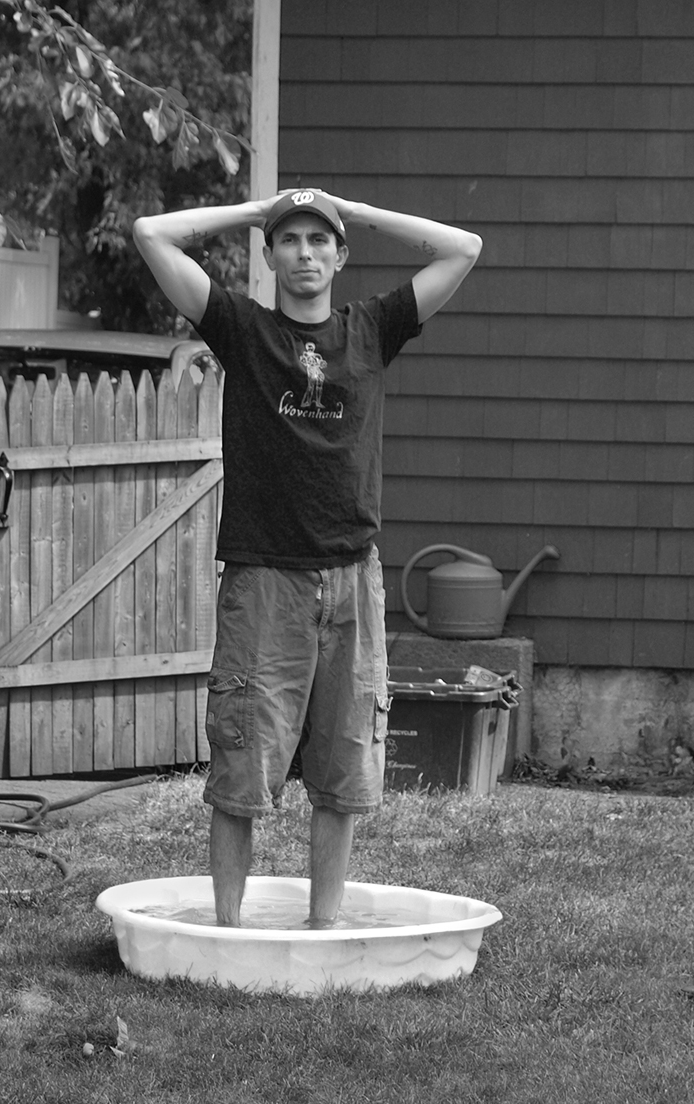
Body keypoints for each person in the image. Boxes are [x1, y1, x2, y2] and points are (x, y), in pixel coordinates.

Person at [133, 188, 481, 927]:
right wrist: (257, 206)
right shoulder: (241, 328)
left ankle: (324, 928)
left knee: (343, 775)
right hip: (265, 584)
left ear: (340, 254)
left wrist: (354, 207)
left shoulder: (373, 329)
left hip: (354, 581)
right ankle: (226, 933)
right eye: (289, 240)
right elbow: (150, 235)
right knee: (241, 771)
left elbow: (464, 248)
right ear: (270, 255)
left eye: (319, 241)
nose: (305, 253)